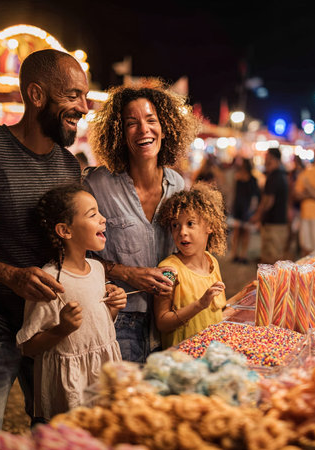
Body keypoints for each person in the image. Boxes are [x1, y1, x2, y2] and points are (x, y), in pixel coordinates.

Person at [0, 49, 89, 438]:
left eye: (84, 96)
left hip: (48, 327)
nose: (84, 107)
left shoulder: (69, 165)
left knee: (56, 433)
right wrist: (10, 276)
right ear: (37, 95)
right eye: (73, 96)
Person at [83, 78, 200, 363]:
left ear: (166, 126)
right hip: (118, 321)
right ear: (119, 133)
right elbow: (76, 258)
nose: (143, 130)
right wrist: (126, 273)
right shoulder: (97, 185)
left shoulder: (177, 184)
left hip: (170, 317)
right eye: (131, 123)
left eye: (151, 119)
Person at [16, 183, 125, 421]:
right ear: (65, 230)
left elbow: (100, 325)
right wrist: (62, 329)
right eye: (93, 214)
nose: (103, 219)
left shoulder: (97, 269)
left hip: (102, 375)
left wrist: (113, 307)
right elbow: (29, 347)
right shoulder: (51, 279)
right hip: (71, 384)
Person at [154, 182, 227, 349]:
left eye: (190, 223)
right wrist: (199, 304)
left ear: (210, 226)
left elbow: (216, 313)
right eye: (175, 225)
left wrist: (243, 295)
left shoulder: (212, 262)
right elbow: (162, 322)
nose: (182, 232)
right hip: (183, 362)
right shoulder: (169, 271)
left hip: (211, 357)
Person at [251, 148, 289, 264]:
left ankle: (270, 282)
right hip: (277, 222)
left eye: (267, 157)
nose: (265, 160)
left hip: (274, 223)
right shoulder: (281, 175)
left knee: (272, 258)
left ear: (273, 158)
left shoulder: (274, 177)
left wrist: (258, 215)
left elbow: (268, 200)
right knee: (272, 256)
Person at [230, 157, 260, 264]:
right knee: (238, 231)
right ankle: (236, 253)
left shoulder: (251, 179)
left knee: (245, 231)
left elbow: (255, 196)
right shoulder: (239, 177)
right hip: (239, 207)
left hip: (247, 207)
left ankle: (242, 254)